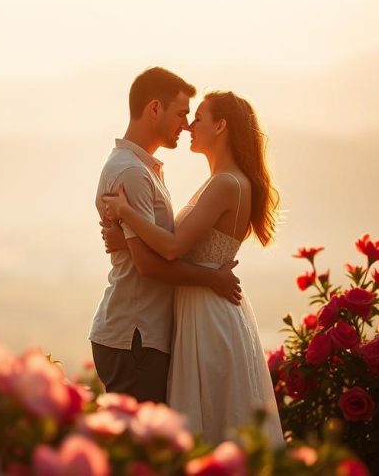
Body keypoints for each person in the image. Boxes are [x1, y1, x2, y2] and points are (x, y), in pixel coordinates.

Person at [100, 90, 284, 445]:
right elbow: (179, 246)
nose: (189, 127)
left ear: (221, 125)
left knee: (211, 423)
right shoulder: (226, 182)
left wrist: (125, 215)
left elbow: (172, 247)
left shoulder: (225, 184)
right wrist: (130, 242)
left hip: (207, 313)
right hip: (207, 307)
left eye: (198, 118)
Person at [91, 67, 243, 404]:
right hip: (136, 336)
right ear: (154, 109)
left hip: (141, 335)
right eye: (181, 113)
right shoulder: (131, 172)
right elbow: (149, 265)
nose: (186, 124)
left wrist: (126, 245)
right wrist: (211, 279)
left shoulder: (142, 169)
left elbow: (149, 250)